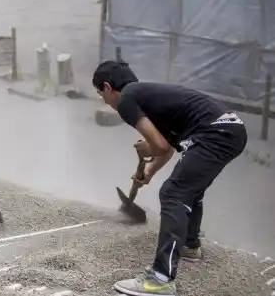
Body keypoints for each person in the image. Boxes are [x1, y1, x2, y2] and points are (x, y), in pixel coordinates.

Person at [92, 60, 247, 296]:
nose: (104, 101)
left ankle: (160, 279)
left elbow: (159, 146)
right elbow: (168, 148)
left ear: (107, 87)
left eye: (101, 94)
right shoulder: (149, 98)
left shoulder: (126, 100)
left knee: (173, 193)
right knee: (190, 188)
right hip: (230, 129)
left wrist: (146, 148)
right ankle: (189, 245)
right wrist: (149, 171)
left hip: (215, 133)